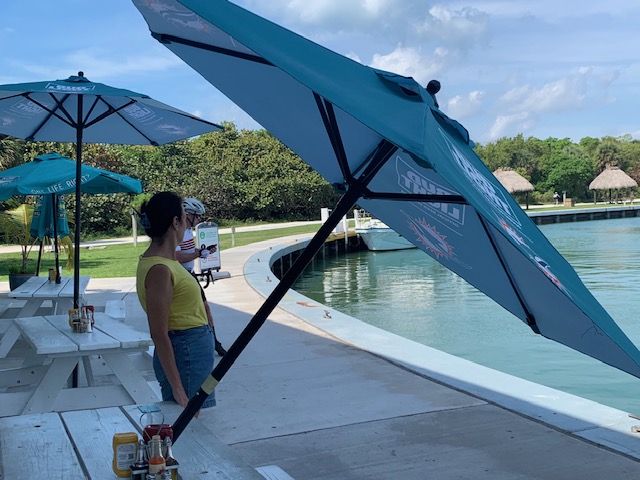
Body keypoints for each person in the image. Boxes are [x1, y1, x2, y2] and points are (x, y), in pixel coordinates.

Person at [136, 192, 216, 409]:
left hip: (191, 350)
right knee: (190, 421)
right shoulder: (159, 269)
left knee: (194, 420)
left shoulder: (166, 262)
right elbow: (158, 332)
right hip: (186, 353)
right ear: (175, 222)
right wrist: (178, 388)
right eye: (183, 216)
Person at [175, 198, 227, 357]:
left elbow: (188, 252)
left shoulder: (189, 230)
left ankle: (214, 341)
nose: (200, 220)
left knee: (205, 308)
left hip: (189, 273)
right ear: (189, 215)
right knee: (194, 311)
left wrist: (203, 251)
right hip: (180, 276)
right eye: (198, 216)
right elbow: (177, 256)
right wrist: (198, 254)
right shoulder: (178, 232)